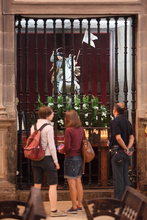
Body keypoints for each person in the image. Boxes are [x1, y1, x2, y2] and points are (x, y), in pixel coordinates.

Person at [31, 106, 66, 217]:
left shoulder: (34, 126)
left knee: (37, 184)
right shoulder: (49, 127)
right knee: (52, 184)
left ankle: (35, 210)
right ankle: (54, 210)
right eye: (52, 113)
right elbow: (51, 146)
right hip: (46, 158)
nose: (53, 115)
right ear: (47, 115)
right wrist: (56, 161)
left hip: (35, 157)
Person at [59, 110, 85, 214]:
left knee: (71, 183)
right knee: (78, 181)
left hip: (71, 158)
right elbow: (84, 143)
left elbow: (68, 147)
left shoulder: (68, 130)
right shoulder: (81, 130)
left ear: (69, 119)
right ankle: (79, 204)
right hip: (79, 157)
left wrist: (61, 150)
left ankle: (74, 206)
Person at [109, 103, 134, 199]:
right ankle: (127, 199)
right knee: (125, 177)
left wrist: (124, 148)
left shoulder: (115, 121)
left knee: (118, 178)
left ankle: (119, 200)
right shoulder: (128, 122)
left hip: (118, 152)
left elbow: (118, 138)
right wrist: (128, 148)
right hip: (125, 153)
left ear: (115, 110)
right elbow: (132, 137)